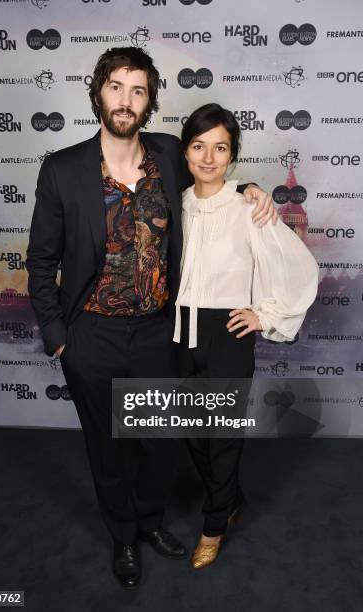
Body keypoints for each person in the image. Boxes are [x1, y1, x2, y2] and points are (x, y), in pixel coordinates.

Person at [26, 47, 276, 590]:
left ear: (150, 100)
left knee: (160, 443)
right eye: (117, 87)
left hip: (156, 332)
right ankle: (122, 538)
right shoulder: (63, 169)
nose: (126, 100)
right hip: (90, 333)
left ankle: (150, 521)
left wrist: (254, 191)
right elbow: (42, 262)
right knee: (108, 447)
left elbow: (213, 171)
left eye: (138, 90)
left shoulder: (165, 154)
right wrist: (58, 339)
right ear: (99, 92)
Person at [173, 103, 319, 569]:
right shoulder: (173, 206)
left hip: (227, 332)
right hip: (177, 330)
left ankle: (213, 525)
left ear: (233, 155)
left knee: (222, 436)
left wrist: (264, 315)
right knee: (191, 431)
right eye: (199, 146)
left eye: (221, 147)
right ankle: (230, 497)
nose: (209, 157)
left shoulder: (248, 205)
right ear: (186, 151)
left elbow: (297, 266)